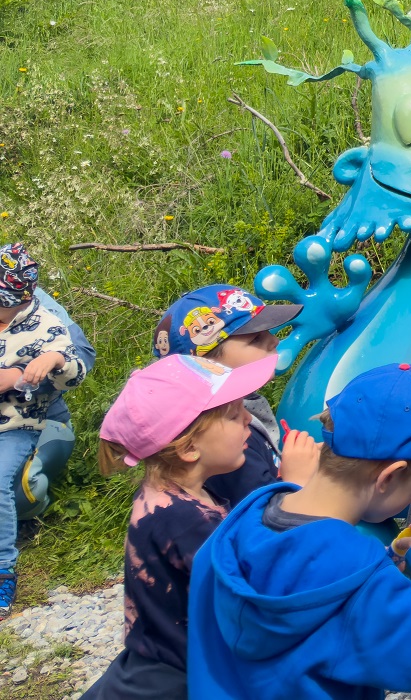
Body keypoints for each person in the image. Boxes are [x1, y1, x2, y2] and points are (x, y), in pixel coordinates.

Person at [188, 362, 411, 700]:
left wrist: (384, 566)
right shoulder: (359, 577)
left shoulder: (235, 525)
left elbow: (301, 574)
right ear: (388, 477)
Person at [83, 352, 269, 700]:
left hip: (155, 659)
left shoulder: (175, 497)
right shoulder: (187, 521)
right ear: (188, 447)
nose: (248, 420)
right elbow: (256, 594)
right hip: (176, 680)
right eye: (233, 415)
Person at [151, 282, 311, 508]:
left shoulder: (241, 409)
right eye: (255, 339)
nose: (274, 340)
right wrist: (298, 480)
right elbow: (266, 519)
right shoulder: (224, 438)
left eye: (268, 332)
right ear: (206, 364)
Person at [0, 242, 89, 612]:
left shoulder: (45, 321)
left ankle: (4, 571)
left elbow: (79, 365)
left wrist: (51, 361)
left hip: (21, 424)